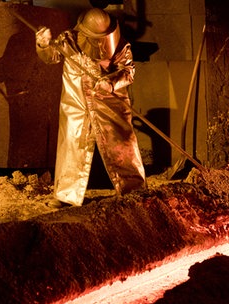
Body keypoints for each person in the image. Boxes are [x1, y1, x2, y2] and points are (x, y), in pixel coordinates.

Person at [35, 8, 146, 208]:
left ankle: (133, 191)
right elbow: (51, 56)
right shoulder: (68, 41)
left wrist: (110, 84)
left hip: (110, 102)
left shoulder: (120, 46)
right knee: (72, 145)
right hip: (76, 104)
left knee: (123, 144)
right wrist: (43, 44)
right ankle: (66, 195)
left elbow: (128, 71)